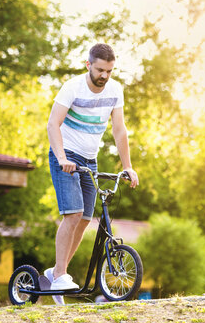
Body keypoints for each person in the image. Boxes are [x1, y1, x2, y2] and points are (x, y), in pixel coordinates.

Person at [46, 43, 139, 304]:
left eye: (109, 71)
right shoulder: (72, 87)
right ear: (89, 65)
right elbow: (53, 124)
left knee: (86, 218)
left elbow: (119, 130)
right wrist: (62, 157)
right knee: (73, 214)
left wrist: (128, 166)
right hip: (65, 156)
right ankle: (61, 274)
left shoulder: (115, 89)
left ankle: (55, 272)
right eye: (100, 70)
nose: (105, 76)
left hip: (90, 159)